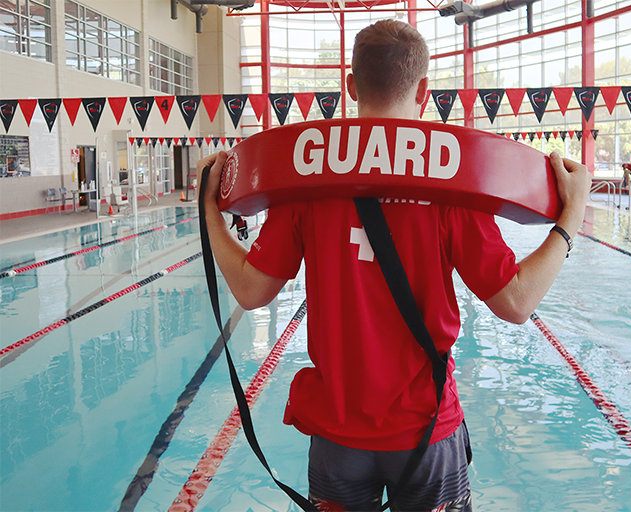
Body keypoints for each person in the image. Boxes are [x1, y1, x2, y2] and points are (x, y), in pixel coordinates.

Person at [199, 19, 591, 512]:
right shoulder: (455, 179)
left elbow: (252, 292)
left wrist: (210, 211)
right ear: (424, 90)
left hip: (338, 437)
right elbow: (515, 302)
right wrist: (572, 216)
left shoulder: (305, 180)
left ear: (350, 85)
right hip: (425, 432)